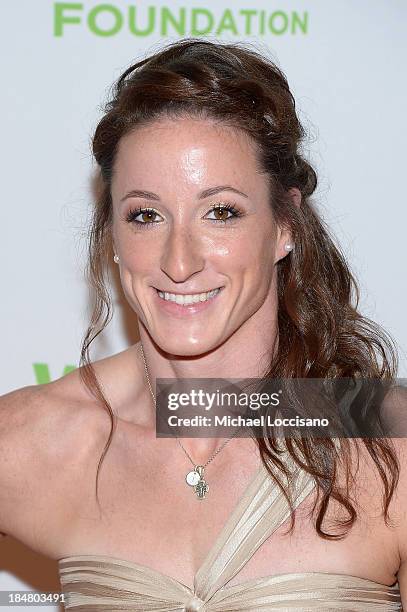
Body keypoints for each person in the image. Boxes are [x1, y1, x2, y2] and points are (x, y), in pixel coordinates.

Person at [0, 37, 406, 611]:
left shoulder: (388, 448)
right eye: (145, 215)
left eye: (221, 212)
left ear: (285, 227)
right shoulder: (33, 441)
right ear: (113, 235)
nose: (179, 261)